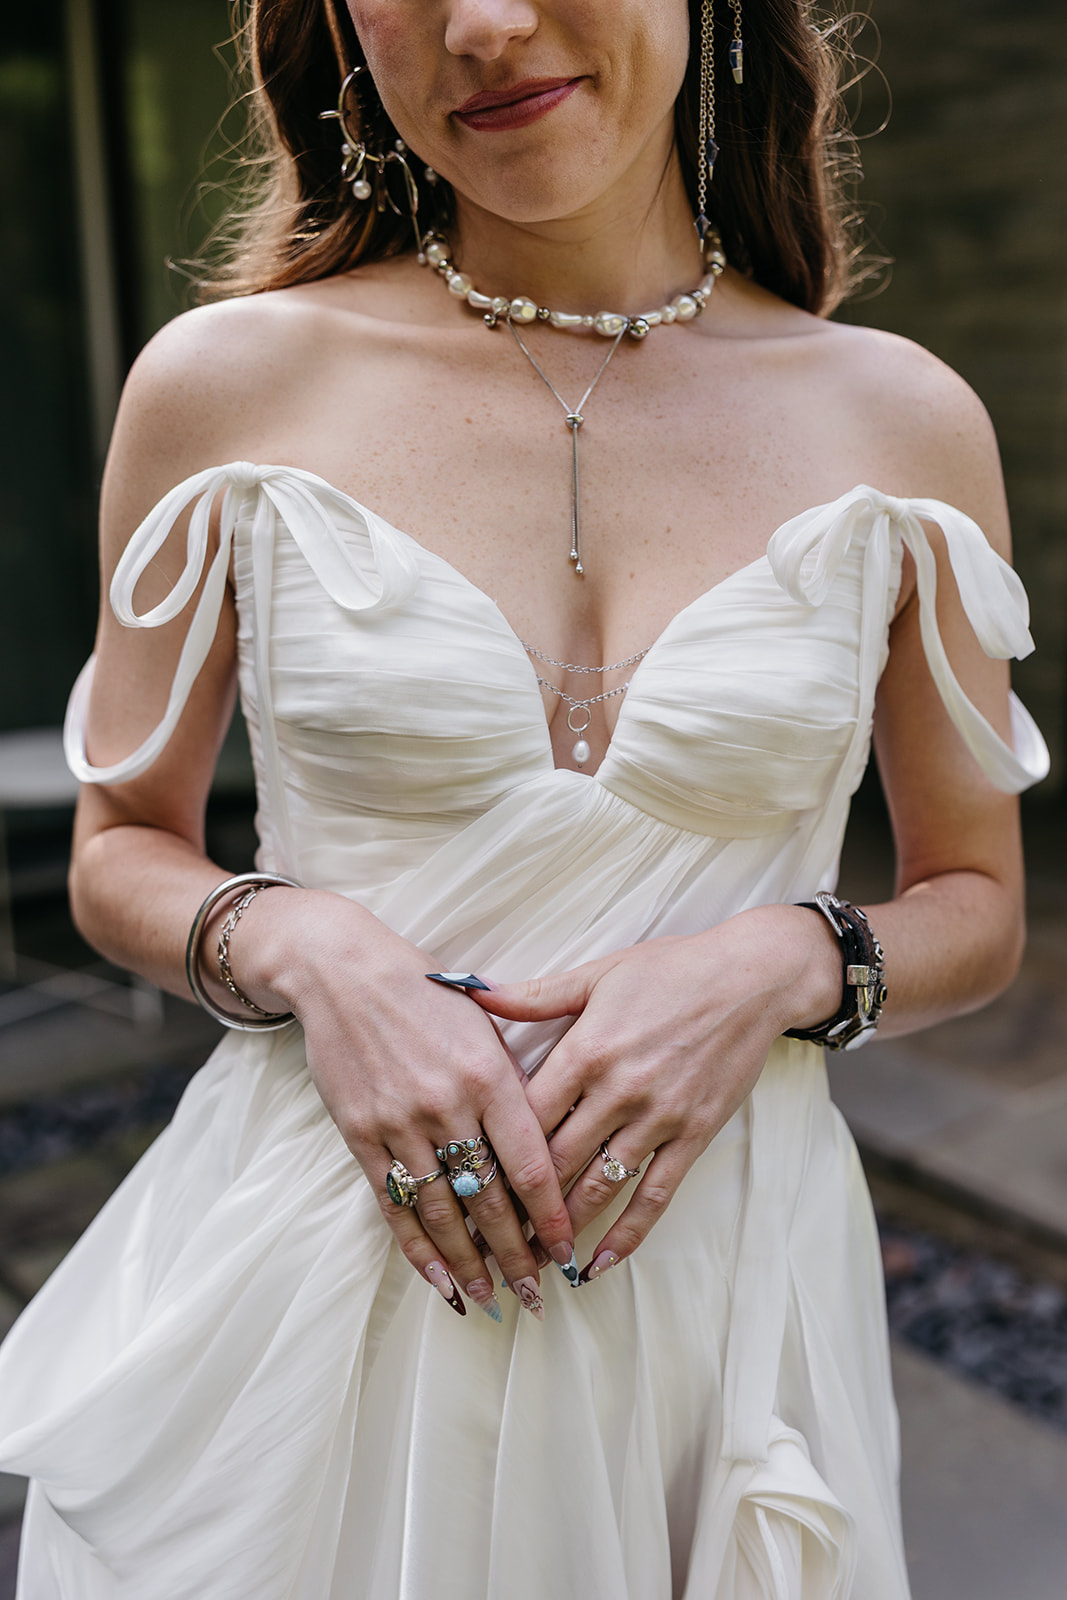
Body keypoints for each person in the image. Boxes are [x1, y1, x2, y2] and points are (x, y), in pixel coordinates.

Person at [0, 0, 1050, 1594]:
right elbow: (120, 848)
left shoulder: (899, 419)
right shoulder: (224, 387)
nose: (484, 23)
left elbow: (975, 902)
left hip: (721, 1303)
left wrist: (780, 962)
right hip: (308, 1300)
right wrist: (313, 954)